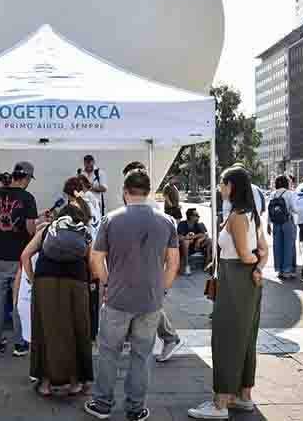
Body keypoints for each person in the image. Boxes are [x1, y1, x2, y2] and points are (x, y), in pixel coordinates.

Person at [84, 169, 180, 421]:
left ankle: (102, 404)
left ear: (125, 192)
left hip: (117, 297)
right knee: (142, 354)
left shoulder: (110, 220)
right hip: (150, 300)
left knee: (108, 351)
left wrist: (107, 283)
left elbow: (96, 259)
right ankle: (135, 408)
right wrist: (163, 290)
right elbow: (173, 264)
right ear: (148, 192)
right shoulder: (167, 222)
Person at [188, 166, 268, 420]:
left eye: (222, 183)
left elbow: (245, 254)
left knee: (226, 338)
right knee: (245, 338)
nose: (219, 187)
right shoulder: (251, 214)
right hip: (247, 281)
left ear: (231, 186)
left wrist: (251, 263)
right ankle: (244, 396)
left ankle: (221, 403)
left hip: (235, 280)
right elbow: (263, 251)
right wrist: (258, 268)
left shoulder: (236, 216)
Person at [22, 177, 94, 396]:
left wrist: (34, 279)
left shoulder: (47, 230)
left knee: (46, 330)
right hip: (76, 283)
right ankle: (75, 382)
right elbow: (92, 263)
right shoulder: (85, 233)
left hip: (45, 282)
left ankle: (45, 383)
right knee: (76, 330)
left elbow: (25, 256)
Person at [120, 160, 183, 364]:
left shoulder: (148, 206)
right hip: (142, 264)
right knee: (147, 303)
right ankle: (159, 337)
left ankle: (170, 337)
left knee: (150, 304)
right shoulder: (144, 205)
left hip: (147, 264)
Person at [0, 161, 38, 356]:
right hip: (19, 257)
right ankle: (20, 343)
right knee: (19, 300)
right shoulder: (28, 198)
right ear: (25, 178)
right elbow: (30, 229)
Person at [267, 175, 298, 279]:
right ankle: (287, 270)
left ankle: (279, 270)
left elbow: (269, 211)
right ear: (286, 183)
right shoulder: (290, 194)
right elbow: (294, 209)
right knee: (288, 246)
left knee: (277, 246)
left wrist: (268, 224)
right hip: (287, 222)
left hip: (276, 223)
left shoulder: (273, 194)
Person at [177, 208, 209, 275]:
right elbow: (179, 237)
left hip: (196, 246)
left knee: (210, 241)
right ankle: (186, 266)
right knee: (186, 242)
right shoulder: (182, 224)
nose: (198, 217)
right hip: (185, 247)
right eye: (197, 215)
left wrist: (198, 240)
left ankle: (207, 263)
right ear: (191, 216)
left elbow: (205, 234)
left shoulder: (199, 224)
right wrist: (187, 238)